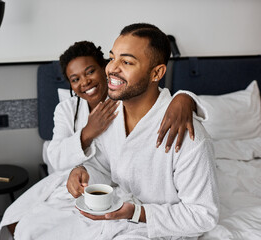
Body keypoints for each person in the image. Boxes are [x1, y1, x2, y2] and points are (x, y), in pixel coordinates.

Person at [0, 39, 207, 239]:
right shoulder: (67, 109)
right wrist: (88, 132)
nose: (84, 82)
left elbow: (155, 101)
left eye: (90, 72)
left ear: (103, 68)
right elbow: (59, 158)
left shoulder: (127, 101)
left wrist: (184, 97)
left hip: (121, 191)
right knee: (22, 225)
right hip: (83, 182)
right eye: (75, 79)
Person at [67, 23, 219, 239]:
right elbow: (103, 165)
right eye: (112, 58)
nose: (111, 69)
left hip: (162, 229)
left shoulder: (188, 136)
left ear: (156, 72)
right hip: (118, 217)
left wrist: (138, 212)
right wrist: (83, 172)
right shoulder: (112, 113)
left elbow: (203, 216)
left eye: (127, 62)